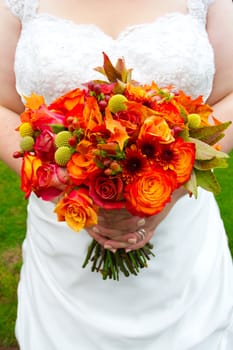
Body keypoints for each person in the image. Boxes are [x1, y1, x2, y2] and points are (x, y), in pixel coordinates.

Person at [0, 0, 233, 349]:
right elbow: (3, 105)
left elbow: (229, 96)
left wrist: (169, 186)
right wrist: (68, 185)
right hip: (65, 243)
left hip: (181, 244)